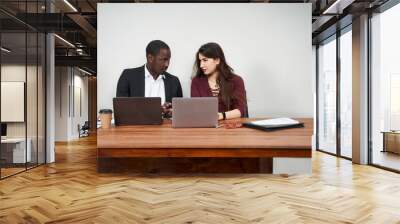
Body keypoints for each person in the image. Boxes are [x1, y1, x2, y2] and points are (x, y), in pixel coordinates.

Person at [116, 40, 182, 116]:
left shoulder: (174, 81)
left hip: (165, 127)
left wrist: (171, 112)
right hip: (136, 127)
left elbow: (179, 114)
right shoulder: (128, 77)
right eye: (163, 60)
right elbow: (121, 110)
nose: (167, 64)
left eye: (168, 59)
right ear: (150, 58)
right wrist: (155, 110)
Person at [191, 42, 247, 120]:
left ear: (217, 60)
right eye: (200, 61)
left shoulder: (236, 81)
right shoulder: (196, 82)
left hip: (230, 127)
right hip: (205, 126)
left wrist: (221, 116)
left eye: (205, 60)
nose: (201, 65)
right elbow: (196, 109)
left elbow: (240, 110)